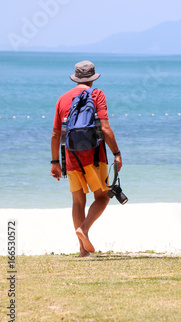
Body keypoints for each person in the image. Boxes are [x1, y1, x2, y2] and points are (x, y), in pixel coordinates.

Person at [50, 60, 122, 257]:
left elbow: (56, 135)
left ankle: (83, 251)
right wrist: (116, 153)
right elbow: (105, 128)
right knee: (102, 197)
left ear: (76, 78)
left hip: (70, 157)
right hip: (94, 156)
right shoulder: (97, 94)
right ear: (92, 78)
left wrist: (55, 162)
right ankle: (84, 228)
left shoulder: (62, 99)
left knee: (78, 202)